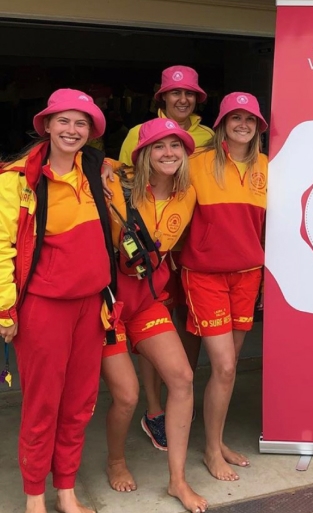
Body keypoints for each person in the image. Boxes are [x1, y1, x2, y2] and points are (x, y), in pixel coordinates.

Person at [0, 89, 113, 513]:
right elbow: (1, 246)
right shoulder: (17, 178)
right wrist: (5, 309)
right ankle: (34, 498)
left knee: (80, 402)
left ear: (91, 133)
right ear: (46, 125)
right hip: (44, 307)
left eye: (81, 123)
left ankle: (66, 490)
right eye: (63, 121)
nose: (72, 130)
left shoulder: (97, 169)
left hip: (91, 305)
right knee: (43, 403)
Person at [101, 118, 208, 513]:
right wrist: (102, 163)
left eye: (176, 146)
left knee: (182, 378)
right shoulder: (116, 182)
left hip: (147, 301)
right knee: (127, 396)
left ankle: (177, 481)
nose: (168, 154)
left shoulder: (189, 194)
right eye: (159, 147)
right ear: (143, 153)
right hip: (107, 306)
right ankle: (116, 460)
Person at [118, 66, 213, 452]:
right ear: (162, 97)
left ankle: (173, 404)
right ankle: (154, 410)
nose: (182, 99)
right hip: (133, 262)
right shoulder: (136, 136)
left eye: (189, 93)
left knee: (177, 335)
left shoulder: (207, 137)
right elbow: (123, 181)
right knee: (141, 340)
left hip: (178, 255)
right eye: (175, 93)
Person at [180, 92, 267, 481]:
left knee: (225, 372)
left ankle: (217, 441)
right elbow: (152, 175)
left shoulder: (268, 166)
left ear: (259, 127)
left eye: (250, 119)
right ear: (221, 124)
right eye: (235, 118)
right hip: (206, 276)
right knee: (226, 366)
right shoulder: (196, 163)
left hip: (248, 275)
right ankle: (212, 450)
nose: (243, 124)